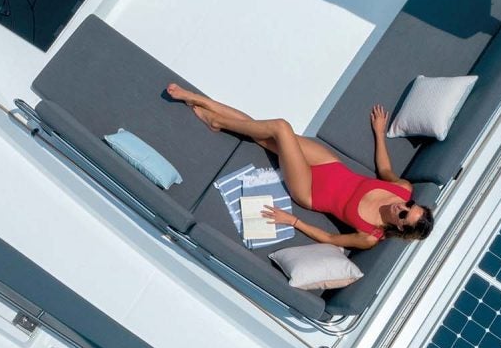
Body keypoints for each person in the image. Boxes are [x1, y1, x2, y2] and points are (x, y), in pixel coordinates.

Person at [167, 85, 434, 248]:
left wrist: (292, 220)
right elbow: (384, 170)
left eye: (404, 215)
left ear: (400, 228)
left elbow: (330, 239)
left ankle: (213, 113)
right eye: (410, 206)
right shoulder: (402, 190)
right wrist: (379, 132)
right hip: (329, 165)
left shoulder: (370, 236)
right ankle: (213, 114)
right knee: (263, 135)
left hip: (309, 190)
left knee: (279, 128)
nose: (403, 207)